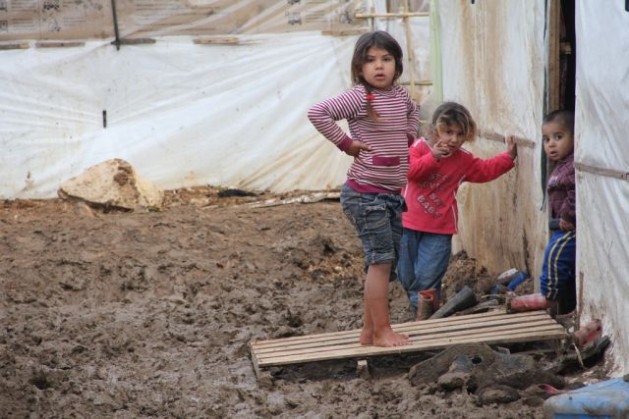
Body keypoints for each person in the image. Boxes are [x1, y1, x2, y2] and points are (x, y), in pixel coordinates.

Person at [307, 30, 420, 347]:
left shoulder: (399, 96)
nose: (379, 66)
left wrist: (408, 138)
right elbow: (318, 113)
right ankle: (382, 331)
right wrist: (346, 143)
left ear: (397, 65)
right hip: (366, 194)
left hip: (391, 196)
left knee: (383, 262)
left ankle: (369, 332)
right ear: (359, 67)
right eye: (370, 60)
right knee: (381, 262)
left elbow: (414, 112)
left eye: (386, 59)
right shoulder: (360, 97)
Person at [397, 101, 518, 319]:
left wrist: (508, 157)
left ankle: (423, 317)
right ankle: (422, 306)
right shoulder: (419, 148)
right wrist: (433, 156)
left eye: (460, 134)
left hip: (439, 227)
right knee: (405, 273)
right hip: (407, 223)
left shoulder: (463, 160)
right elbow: (412, 172)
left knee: (428, 275)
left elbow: (484, 170)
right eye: (448, 132)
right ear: (435, 130)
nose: (453, 139)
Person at [508, 110, 576, 315]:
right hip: (562, 226)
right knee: (554, 254)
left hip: (570, 228)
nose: (551, 144)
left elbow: (577, 193)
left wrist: (567, 216)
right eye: (546, 139)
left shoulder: (573, 166)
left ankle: (549, 296)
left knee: (555, 254)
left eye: (558, 137)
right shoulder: (561, 166)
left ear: (575, 137)